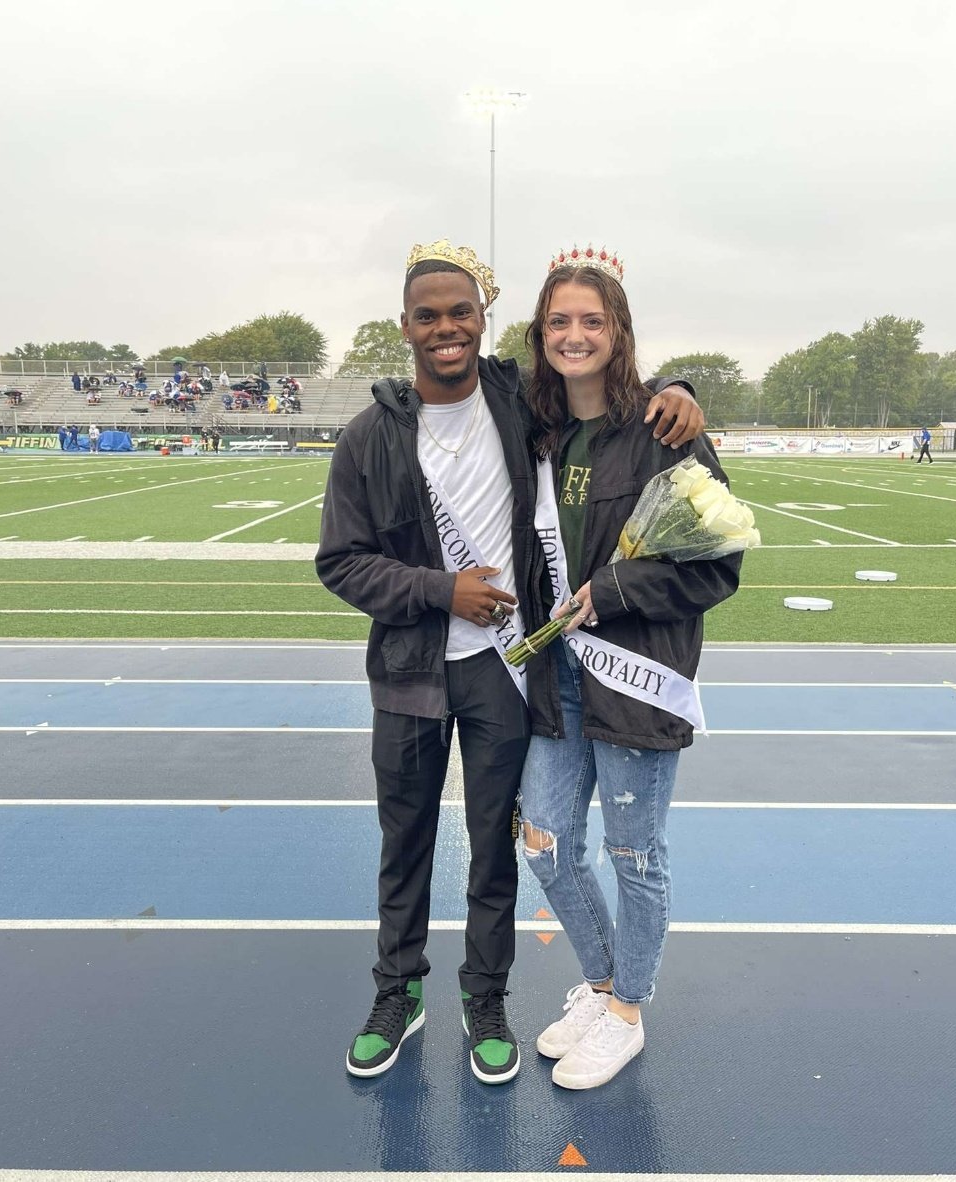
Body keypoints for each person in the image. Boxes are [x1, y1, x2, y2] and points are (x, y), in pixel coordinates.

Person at [316, 240, 704, 1086]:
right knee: (406, 841)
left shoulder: (517, 402)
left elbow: (603, 377)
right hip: (412, 672)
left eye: (461, 312)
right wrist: (439, 589)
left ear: (485, 321)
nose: (446, 328)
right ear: (405, 325)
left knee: (496, 845)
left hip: (507, 671)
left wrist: (680, 387)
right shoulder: (370, 436)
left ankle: (485, 998)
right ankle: (397, 994)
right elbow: (339, 563)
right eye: (428, 315)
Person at [517, 247, 742, 1090]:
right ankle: (605, 983)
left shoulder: (664, 431)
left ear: (619, 330)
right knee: (544, 839)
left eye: (591, 320)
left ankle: (627, 1013)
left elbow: (717, 565)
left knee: (633, 851)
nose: (574, 336)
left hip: (634, 673)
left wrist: (610, 591)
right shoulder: (534, 430)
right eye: (558, 322)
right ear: (540, 334)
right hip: (557, 677)